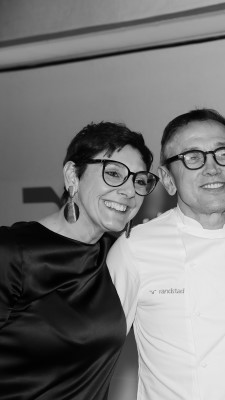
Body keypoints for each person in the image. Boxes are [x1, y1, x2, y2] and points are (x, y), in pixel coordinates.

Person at [107, 108, 225, 399]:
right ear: (168, 179)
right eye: (192, 158)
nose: (212, 168)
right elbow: (94, 354)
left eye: (224, 154)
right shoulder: (135, 249)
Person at [0, 122, 158, 399]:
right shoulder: (13, 251)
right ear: (73, 175)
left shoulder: (118, 255)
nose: (129, 191)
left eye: (139, 180)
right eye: (114, 173)